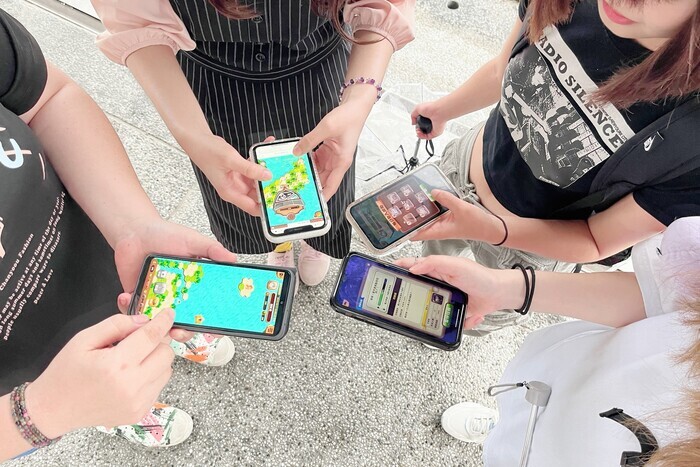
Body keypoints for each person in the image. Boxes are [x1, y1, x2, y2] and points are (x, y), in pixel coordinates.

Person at [0, 8, 238, 452]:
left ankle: (158, 319)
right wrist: (41, 413)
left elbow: (45, 97)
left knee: (139, 298)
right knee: (95, 390)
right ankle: (115, 413)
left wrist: (134, 227)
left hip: (95, 252)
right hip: (21, 375)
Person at [410, 0, 700, 334]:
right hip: (460, 170)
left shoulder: (691, 135)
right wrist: (444, 109)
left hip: (528, 246)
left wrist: (492, 230)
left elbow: (595, 240)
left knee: (464, 316)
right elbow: (502, 69)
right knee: (427, 267)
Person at [89, 0, 416, 286]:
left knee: (326, 181)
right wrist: (194, 137)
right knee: (246, 195)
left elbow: (382, 3)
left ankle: (316, 241)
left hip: (319, 66)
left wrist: (359, 99)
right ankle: (280, 244)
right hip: (217, 80)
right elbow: (134, 19)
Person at [396, 216, 700, 465]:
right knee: (526, 419)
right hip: (556, 393)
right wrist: (505, 289)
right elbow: (659, 302)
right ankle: (504, 429)